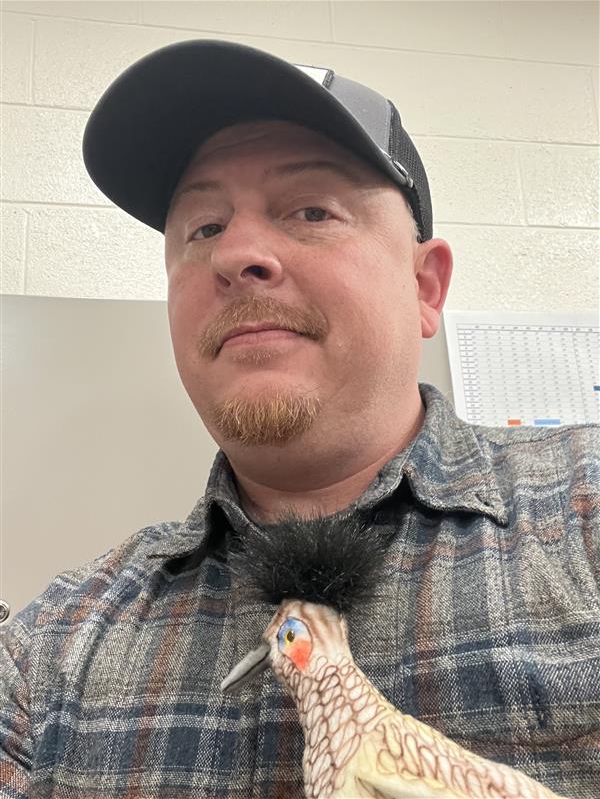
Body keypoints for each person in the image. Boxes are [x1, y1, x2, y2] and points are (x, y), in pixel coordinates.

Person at [0, 40, 598, 799]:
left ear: (425, 287)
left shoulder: (585, 510)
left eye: (311, 209)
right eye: (203, 228)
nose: (237, 254)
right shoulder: (49, 650)